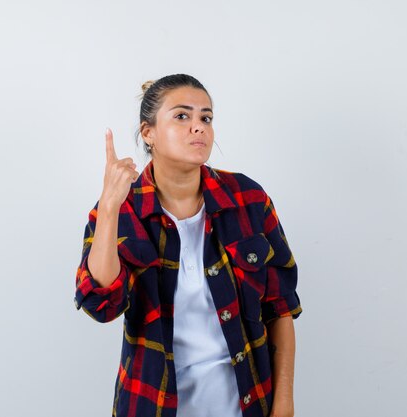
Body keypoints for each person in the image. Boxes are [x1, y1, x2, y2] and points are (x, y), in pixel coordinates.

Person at [74, 74, 302, 417]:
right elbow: (102, 304)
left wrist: (284, 404)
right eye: (182, 116)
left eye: (205, 118)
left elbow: (280, 309)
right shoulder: (123, 209)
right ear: (148, 132)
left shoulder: (248, 199)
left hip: (248, 405)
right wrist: (109, 207)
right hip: (152, 406)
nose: (198, 127)